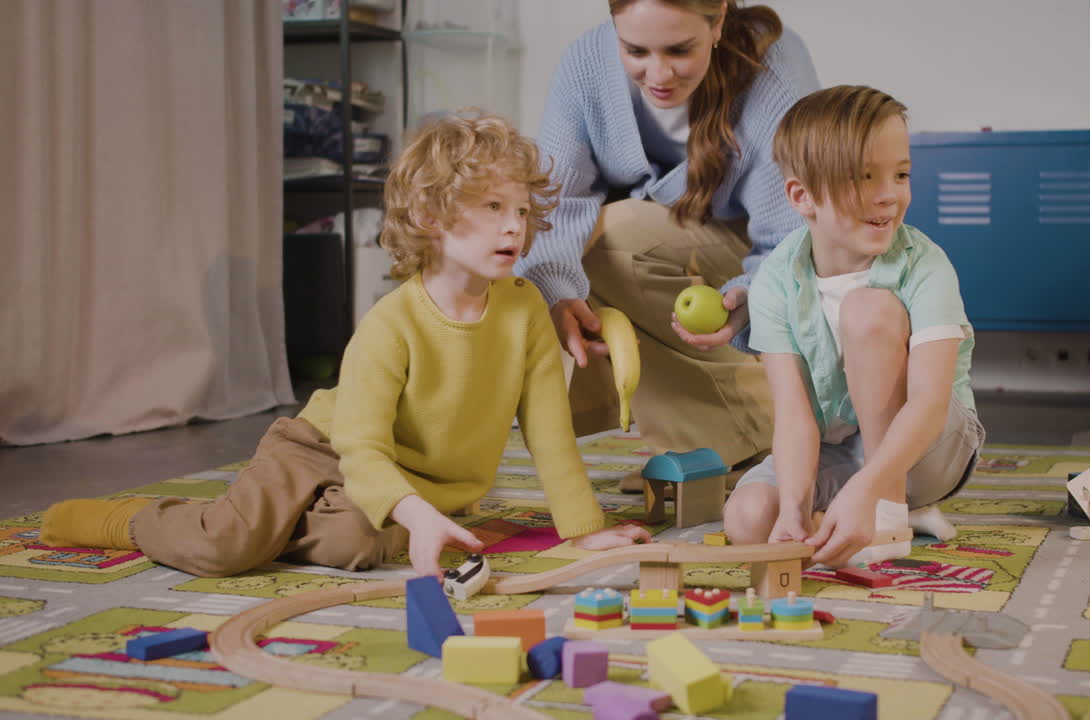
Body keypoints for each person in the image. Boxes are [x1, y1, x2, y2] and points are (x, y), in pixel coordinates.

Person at [39, 113, 651, 579]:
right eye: (492, 206)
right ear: (432, 217)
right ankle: (132, 519)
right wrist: (411, 511)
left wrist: (583, 530)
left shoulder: (525, 311)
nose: (515, 225)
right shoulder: (391, 323)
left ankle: (328, 514)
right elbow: (361, 447)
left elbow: (549, 434)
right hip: (322, 448)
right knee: (226, 547)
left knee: (352, 546)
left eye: (520, 209)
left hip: (412, 477)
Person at [516, 0, 820, 488]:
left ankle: (760, 431)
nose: (658, 74)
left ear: (718, 22)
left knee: (614, 236)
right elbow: (554, 203)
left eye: (680, 50)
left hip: (773, 257)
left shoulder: (773, 70)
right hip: (673, 244)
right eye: (635, 50)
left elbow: (797, 234)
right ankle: (699, 445)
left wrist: (752, 294)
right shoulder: (587, 64)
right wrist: (556, 296)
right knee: (548, 263)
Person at [722, 85, 987, 568]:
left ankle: (888, 511)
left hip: (930, 449)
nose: (888, 195)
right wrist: (795, 509)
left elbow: (929, 404)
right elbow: (795, 416)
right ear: (802, 196)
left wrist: (870, 488)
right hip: (841, 450)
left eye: (901, 174)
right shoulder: (774, 281)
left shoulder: (924, 264)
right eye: (863, 177)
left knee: (867, 310)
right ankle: (843, 517)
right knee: (748, 519)